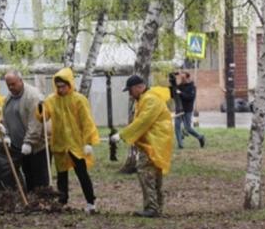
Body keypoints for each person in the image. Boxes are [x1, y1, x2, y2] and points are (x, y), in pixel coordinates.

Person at [110, 75, 173, 218]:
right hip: (155, 143)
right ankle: (156, 207)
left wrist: (122, 135)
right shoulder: (145, 99)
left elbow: (143, 122)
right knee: (154, 175)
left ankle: (151, 208)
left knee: (145, 172)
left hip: (154, 143)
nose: (130, 94)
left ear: (139, 87)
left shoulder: (150, 99)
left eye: (130, 90)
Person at [38, 67, 99, 214]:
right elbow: (43, 118)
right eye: (58, 86)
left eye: (63, 86)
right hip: (60, 143)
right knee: (61, 175)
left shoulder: (79, 99)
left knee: (82, 173)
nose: (60, 89)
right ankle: (62, 201)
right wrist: (40, 108)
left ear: (70, 84)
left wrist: (88, 142)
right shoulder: (51, 100)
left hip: (76, 144)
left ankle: (91, 202)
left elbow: (87, 122)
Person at [3, 70, 49, 192]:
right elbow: (7, 117)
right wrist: (6, 134)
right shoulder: (9, 97)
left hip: (36, 146)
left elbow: (35, 122)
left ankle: (43, 199)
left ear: (21, 80)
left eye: (13, 84)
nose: (11, 87)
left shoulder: (33, 96)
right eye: (8, 85)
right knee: (27, 173)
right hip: (18, 145)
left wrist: (29, 142)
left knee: (39, 175)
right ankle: (31, 199)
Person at [175, 71, 206, 148]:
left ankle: (200, 137)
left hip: (187, 110)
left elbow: (190, 98)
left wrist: (180, 93)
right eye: (181, 78)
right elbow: (174, 94)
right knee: (177, 126)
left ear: (188, 78)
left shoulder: (192, 87)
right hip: (179, 109)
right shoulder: (179, 86)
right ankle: (180, 144)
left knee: (188, 128)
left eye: (183, 78)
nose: (182, 79)